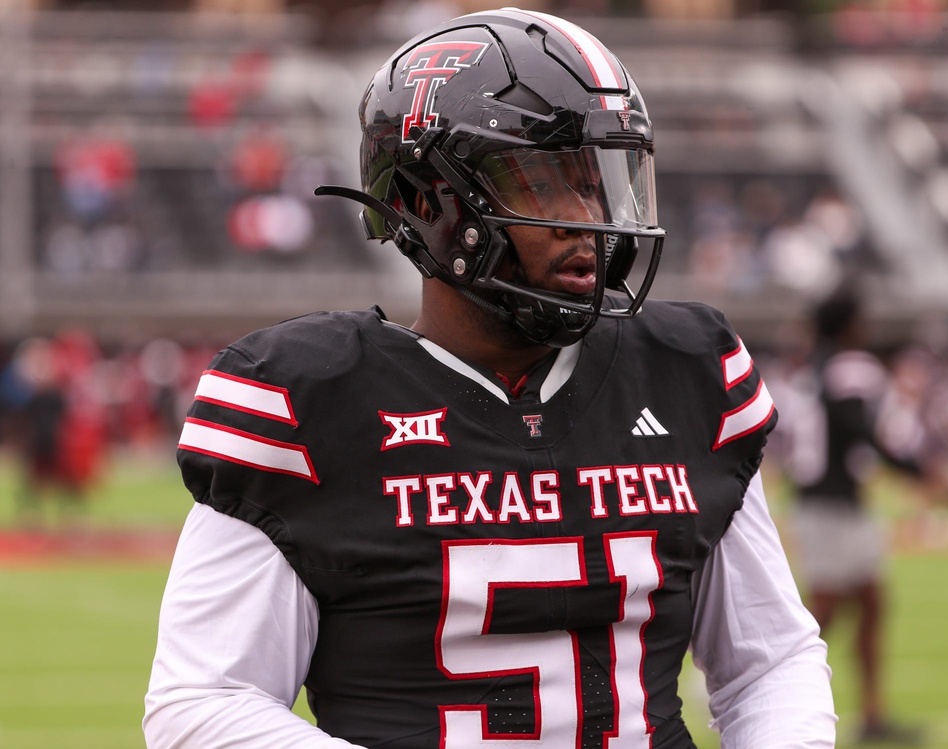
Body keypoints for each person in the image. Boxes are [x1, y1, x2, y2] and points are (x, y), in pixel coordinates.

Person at [144, 9, 835, 748]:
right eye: (546, 183)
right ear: (427, 200)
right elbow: (204, 701)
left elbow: (769, 659)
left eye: (599, 181)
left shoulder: (684, 373)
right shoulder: (310, 403)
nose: (590, 219)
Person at [782, 288, 922, 745]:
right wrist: (918, 472)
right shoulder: (847, 366)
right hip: (831, 504)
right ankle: (765, 680)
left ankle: (873, 714)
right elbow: (859, 431)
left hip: (831, 501)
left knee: (869, 601)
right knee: (822, 611)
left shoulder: (814, 364)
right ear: (848, 324)